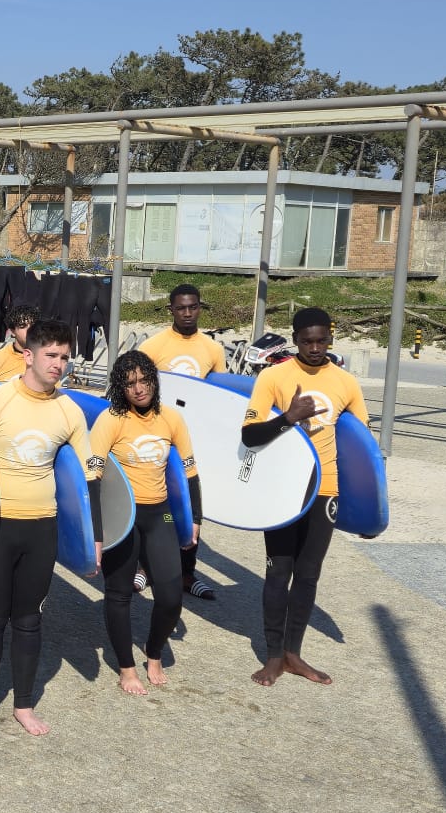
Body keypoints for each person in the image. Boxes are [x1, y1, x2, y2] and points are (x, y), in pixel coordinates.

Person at [0, 318, 97, 737]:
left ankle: (24, 704)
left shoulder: (69, 411)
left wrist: (94, 537)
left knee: (29, 620)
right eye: (51, 355)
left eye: (65, 356)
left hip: (41, 530)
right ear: (28, 355)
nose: (59, 364)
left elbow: (90, 477)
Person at [242, 307, 364, 688]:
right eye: (307, 341)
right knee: (278, 573)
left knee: (308, 575)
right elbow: (249, 436)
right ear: (294, 339)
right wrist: (289, 417)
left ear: (331, 337)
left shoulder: (346, 383)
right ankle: (274, 656)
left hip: (325, 489)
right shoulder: (274, 378)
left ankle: (294, 653)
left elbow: (362, 451)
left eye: (321, 340)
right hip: (284, 489)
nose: (314, 348)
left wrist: (368, 514)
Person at [90, 350, 200, 696]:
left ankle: (153, 652)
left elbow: (190, 472)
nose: (138, 388)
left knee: (169, 597)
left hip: (160, 513)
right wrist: (95, 532)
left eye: (144, 379)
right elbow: (91, 479)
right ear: (121, 388)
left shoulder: (172, 419)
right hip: (122, 517)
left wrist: (193, 518)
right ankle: (126, 667)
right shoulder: (110, 420)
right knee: (120, 593)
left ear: (154, 380)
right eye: (130, 382)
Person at [135, 284, 226, 602]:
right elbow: (134, 388)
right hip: (157, 435)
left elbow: (218, 397)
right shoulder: (153, 346)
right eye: (181, 308)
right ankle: (146, 569)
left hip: (194, 439)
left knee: (189, 504)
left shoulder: (213, 349)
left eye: (193, 307)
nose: (187, 313)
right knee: (156, 503)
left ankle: (187, 573)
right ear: (171, 309)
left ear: (200, 307)